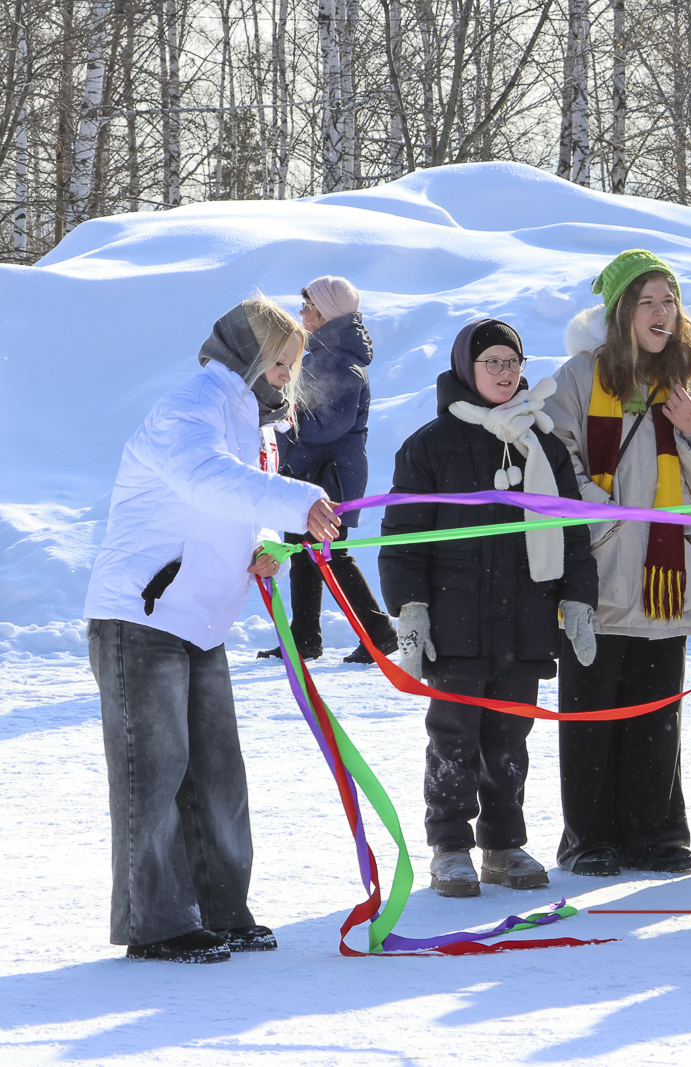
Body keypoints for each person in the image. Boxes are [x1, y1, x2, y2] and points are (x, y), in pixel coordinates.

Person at [85, 297, 339, 963]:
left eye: (292, 365)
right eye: (278, 361)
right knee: (153, 773)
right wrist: (296, 501)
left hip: (200, 620)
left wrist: (261, 544)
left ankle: (221, 909)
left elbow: (228, 507)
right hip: (140, 616)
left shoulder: (254, 424)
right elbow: (205, 481)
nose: (286, 375)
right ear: (246, 354)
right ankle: (158, 922)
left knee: (218, 774)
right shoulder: (191, 405)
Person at [379, 318, 599, 897]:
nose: (505, 372)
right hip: (455, 620)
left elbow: (573, 533)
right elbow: (403, 537)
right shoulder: (430, 445)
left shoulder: (542, 444)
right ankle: (450, 846)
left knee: (510, 736)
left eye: (512, 361)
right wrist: (410, 608)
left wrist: (578, 598)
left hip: (526, 617)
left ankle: (504, 844)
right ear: (466, 369)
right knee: (453, 736)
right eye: (492, 362)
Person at [546, 251, 691, 876]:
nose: (662, 313)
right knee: (591, 714)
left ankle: (656, 834)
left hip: (667, 579)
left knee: (658, 714)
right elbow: (553, 459)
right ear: (619, 313)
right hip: (597, 571)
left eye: (669, 301)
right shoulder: (579, 376)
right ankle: (590, 838)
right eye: (646, 302)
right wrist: (602, 514)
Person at [258, 276, 397, 664]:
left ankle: (380, 634)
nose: (302, 314)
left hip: (329, 476)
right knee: (305, 553)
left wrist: (284, 417)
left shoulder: (340, 360)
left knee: (329, 554)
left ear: (326, 312)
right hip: (310, 472)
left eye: (308, 307)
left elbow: (331, 423)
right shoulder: (323, 352)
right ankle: (305, 638)